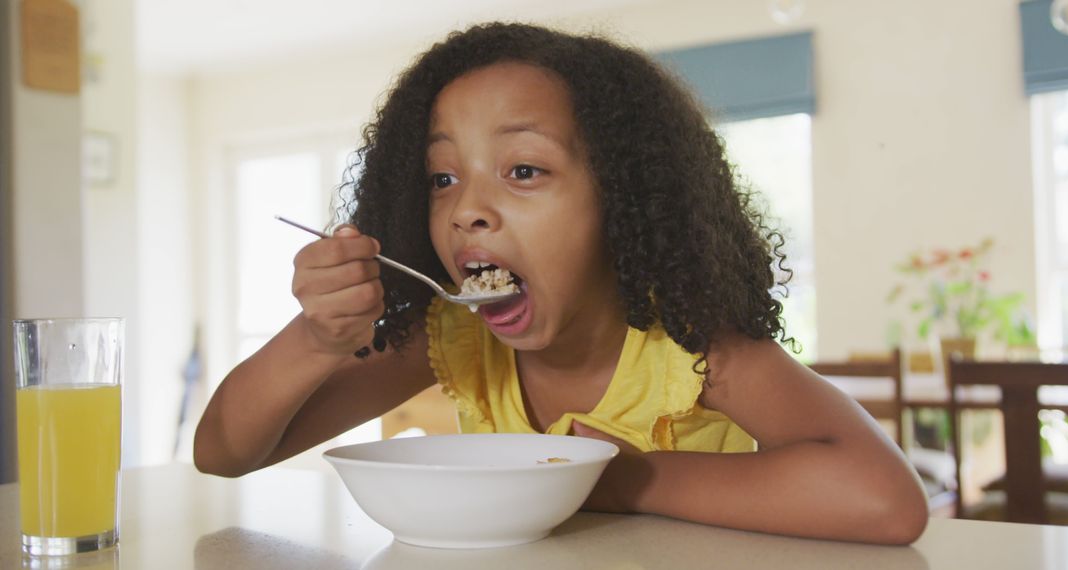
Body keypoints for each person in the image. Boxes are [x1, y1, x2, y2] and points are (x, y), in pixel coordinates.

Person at [194, 22, 928, 544]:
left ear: (624, 197)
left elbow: (886, 502)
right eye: (442, 178)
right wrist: (316, 339)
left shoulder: (691, 350)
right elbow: (226, 453)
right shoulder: (453, 341)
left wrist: (615, 481)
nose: (467, 210)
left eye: (523, 171)